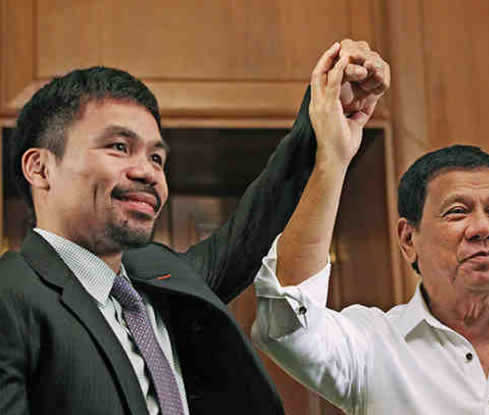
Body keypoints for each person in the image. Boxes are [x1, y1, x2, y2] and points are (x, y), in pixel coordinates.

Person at [0, 40, 390, 414]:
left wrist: (323, 121)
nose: (148, 172)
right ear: (40, 168)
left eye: (156, 157)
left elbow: (256, 223)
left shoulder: (160, 277)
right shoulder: (11, 294)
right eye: (119, 147)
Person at [252, 139, 489, 413]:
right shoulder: (372, 346)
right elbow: (286, 321)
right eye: (458, 212)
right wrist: (331, 160)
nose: (484, 228)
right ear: (409, 239)